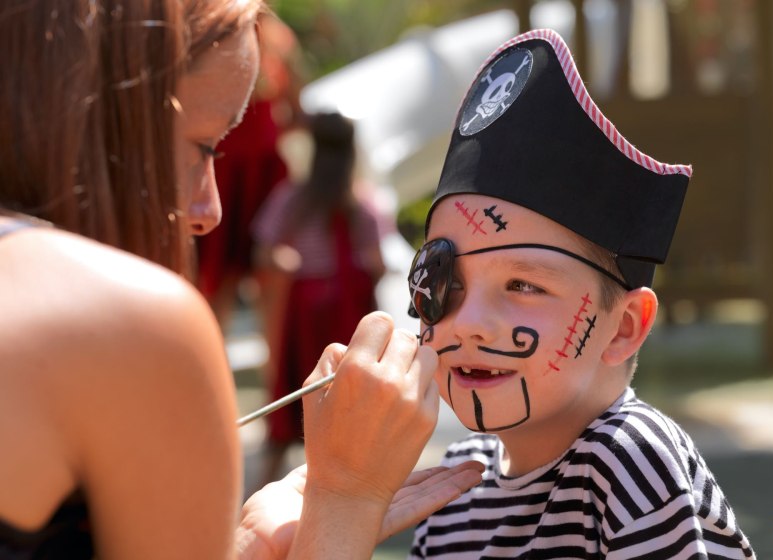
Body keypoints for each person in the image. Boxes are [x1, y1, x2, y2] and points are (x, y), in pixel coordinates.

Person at [0, 1, 484, 558]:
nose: (210, 210)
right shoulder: (131, 326)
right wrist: (347, 501)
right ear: (98, 114)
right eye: (203, 146)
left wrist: (243, 546)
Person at [406, 29, 755, 558]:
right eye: (443, 282)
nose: (467, 320)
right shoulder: (452, 489)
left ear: (623, 328)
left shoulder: (628, 460)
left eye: (523, 284)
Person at [251, 111, 387, 482]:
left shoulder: (294, 199)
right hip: (340, 313)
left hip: (306, 309)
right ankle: (352, 476)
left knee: (294, 391)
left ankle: (269, 479)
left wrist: (282, 259)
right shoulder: (363, 204)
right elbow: (377, 262)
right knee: (347, 393)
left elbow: (263, 248)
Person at [195, 10, 303, 328]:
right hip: (225, 173)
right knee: (215, 276)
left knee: (268, 273)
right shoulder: (213, 33)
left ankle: (278, 372)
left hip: (262, 177)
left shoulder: (279, 41)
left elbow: (297, 106)